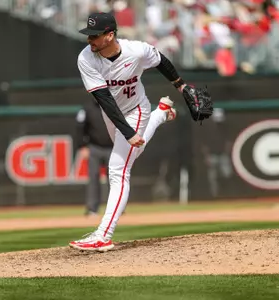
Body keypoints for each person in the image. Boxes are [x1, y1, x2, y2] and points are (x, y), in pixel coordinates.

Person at [69, 12, 205, 252]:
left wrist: (181, 85)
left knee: (118, 169)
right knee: (133, 150)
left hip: (136, 110)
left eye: (95, 35)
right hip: (112, 115)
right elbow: (104, 100)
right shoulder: (86, 58)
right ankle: (161, 114)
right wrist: (127, 132)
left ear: (110, 35)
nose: (89, 40)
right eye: (88, 35)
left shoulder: (137, 50)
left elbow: (160, 60)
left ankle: (103, 235)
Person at [75, 100, 114, 217]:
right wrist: (82, 146)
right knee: (93, 177)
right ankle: (92, 209)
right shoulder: (87, 108)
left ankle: (116, 208)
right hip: (94, 147)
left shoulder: (113, 105)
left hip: (113, 148)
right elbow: (79, 128)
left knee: (114, 179)